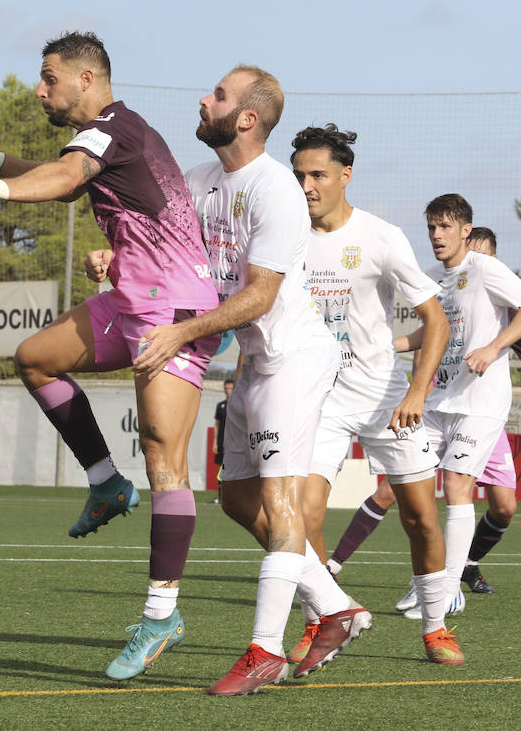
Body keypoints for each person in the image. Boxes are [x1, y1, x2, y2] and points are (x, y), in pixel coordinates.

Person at [0, 31, 220, 681]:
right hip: (132, 300)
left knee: (165, 459)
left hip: (176, 311)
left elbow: (66, 175)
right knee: (35, 358)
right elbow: (69, 185)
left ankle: (162, 617)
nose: (41, 91)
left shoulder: (113, 127)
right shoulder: (108, 136)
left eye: (48, 79)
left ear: (86, 80)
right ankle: (104, 482)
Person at [125, 65, 368, 696]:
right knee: (237, 500)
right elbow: (169, 252)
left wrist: (180, 332)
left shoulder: (276, 191)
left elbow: (260, 296)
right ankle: (337, 608)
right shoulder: (199, 181)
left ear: (248, 118)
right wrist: (115, 257)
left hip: (295, 356)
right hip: (253, 361)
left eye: (219, 96)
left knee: (281, 504)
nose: (204, 100)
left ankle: (264, 651)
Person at [286, 124, 462, 667]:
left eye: (317, 175)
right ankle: (326, 620)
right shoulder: (284, 236)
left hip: (387, 398)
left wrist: (416, 390)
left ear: (346, 175)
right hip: (319, 397)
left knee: (420, 518)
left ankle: (435, 627)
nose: (307, 186)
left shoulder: (381, 236)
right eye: (299, 176)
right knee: (300, 511)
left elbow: (435, 321)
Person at [328, 227, 521, 603]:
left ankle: (461, 568)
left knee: (504, 506)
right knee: (399, 486)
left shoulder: (503, 306)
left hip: (482, 414)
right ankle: (342, 566)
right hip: (446, 408)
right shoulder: (449, 283)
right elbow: (426, 335)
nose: (475, 264)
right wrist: (384, 350)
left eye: (484, 257)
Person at [390, 195, 521, 615]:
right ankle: (427, 581)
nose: (437, 236)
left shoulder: (485, 268)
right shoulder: (432, 278)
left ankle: (449, 588)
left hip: (482, 402)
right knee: (414, 484)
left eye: (445, 227)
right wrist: (387, 345)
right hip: (442, 399)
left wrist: (493, 347)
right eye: (431, 228)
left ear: (464, 231)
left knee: (457, 484)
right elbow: (429, 332)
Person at [210, 378, 234, 504]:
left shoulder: (238, 404)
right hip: (222, 442)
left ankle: (231, 498)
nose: (228, 390)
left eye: (230, 388)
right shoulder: (221, 406)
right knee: (221, 471)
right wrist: (215, 442)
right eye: (226, 388)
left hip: (234, 443)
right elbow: (217, 424)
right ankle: (220, 498)